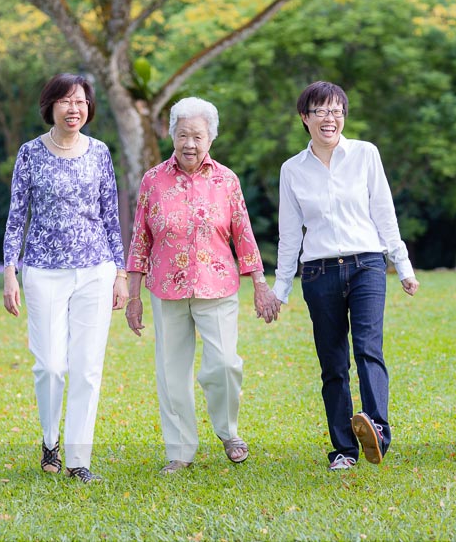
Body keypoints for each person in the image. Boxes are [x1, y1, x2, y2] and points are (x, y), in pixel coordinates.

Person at [125, 96, 278, 475]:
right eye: (182, 135)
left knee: (225, 364)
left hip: (217, 285)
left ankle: (227, 431)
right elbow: (140, 239)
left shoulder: (227, 180)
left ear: (211, 137)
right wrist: (132, 295)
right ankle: (180, 451)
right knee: (171, 371)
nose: (189, 143)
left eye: (197, 135)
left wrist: (259, 283)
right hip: (166, 288)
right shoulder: (153, 180)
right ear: (171, 135)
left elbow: (243, 233)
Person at [273, 81, 419, 472]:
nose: (330, 117)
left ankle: (376, 430)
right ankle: (343, 450)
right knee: (333, 363)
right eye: (320, 110)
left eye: (337, 110)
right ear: (305, 118)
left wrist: (402, 265)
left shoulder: (365, 155)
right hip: (318, 273)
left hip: (367, 265)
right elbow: (289, 235)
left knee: (368, 349)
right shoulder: (292, 170)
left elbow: (383, 213)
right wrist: (280, 289)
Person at [2, 73, 127, 483]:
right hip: (43, 270)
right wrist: (10, 270)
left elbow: (111, 215)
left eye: (81, 102)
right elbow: (17, 215)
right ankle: (49, 439)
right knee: (51, 366)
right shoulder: (30, 154)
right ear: (50, 106)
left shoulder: (100, 152)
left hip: (95, 269)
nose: (74, 109)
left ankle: (78, 459)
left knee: (88, 368)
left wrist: (121, 271)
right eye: (66, 101)